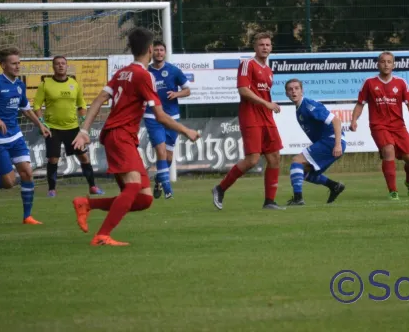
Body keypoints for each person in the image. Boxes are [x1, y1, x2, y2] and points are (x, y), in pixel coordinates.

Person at [71, 28, 200, 246]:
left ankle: (86, 204)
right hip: (120, 136)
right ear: (150, 49)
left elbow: (98, 99)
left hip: (122, 137)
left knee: (143, 199)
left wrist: (84, 131)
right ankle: (102, 236)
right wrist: (186, 131)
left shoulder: (122, 73)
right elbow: (159, 115)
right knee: (132, 188)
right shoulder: (144, 75)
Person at [0, 47, 51, 224]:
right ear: (3, 65)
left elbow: (26, 109)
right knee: (9, 182)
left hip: (15, 136)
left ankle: (27, 216)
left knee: (27, 174)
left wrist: (40, 125)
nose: (17, 66)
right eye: (13, 63)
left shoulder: (19, 85)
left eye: (18, 63)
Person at [211, 31, 285, 210]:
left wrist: (268, 106)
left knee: (274, 157)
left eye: (268, 45)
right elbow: (243, 90)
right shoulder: (247, 64)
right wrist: (266, 103)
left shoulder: (268, 71)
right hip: (251, 116)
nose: (265, 48)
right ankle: (220, 188)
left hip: (266, 118)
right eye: (261, 45)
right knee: (252, 160)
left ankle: (269, 201)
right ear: (255, 47)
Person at [350, 51, 409, 200]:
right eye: (383, 61)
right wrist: (354, 120)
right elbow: (360, 104)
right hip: (378, 125)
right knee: (388, 150)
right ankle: (393, 191)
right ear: (378, 64)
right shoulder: (369, 82)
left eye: (389, 62)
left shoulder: (401, 82)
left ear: (393, 65)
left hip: (398, 127)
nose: (386, 64)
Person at [33, 55, 104, 197]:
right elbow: (36, 105)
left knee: (84, 157)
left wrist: (84, 118)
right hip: (53, 128)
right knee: (53, 159)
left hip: (72, 129)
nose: (60, 66)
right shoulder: (45, 84)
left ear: (67, 66)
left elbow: (81, 104)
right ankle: (52, 189)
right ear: (53, 67)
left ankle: (93, 187)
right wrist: (42, 121)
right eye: (57, 64)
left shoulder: (74, 84)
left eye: (63, 63)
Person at [284, 79, 346, 206]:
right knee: (303, 172)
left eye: (296, 88)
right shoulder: (299, 109)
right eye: (290, 89)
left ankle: (298, 199)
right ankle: (334, 186)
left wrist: (338, 144)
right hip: (328, 141)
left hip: (331, 140)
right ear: (286, 94)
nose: (293, 91)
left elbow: (336, 121)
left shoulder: (308, 105)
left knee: (296, 161)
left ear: (302, 91)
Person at [143, 40, 190, 199]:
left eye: (161, 50)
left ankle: (158, 179)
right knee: (161, 152)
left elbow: (187, 90)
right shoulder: (145, 72)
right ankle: (167, 188)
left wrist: (177, 94)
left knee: (168, 157)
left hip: (172, 117)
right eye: (156, 50)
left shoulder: (173, 70)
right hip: (152, 116)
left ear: (165, 52)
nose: (159, 53)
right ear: (151, 52)